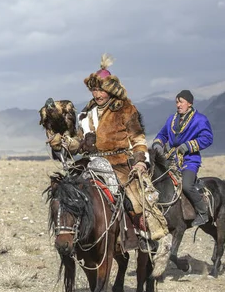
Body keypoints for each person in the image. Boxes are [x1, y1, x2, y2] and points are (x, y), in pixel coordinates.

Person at [49, 54, 170, 251]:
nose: (97, 94)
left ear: (110, 90)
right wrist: (65, 142)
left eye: (101, 90)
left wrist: (140, 161)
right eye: (94, 90)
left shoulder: (125, 110)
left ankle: (145, 237)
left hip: (120, 162)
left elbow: (138, 139)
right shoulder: (86, 114)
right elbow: (79, 142)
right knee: (68, 191)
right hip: (91, 162)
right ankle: (76, 233)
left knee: (135, 199)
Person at [152, 89, 214, 226]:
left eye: (181, 102)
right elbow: (162, 135)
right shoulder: (171, 119)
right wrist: (158, 145)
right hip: (170, 158)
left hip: (190, 160)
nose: (178, 105)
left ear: (189, 103)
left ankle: (202, 212)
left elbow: (208, 138)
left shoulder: (200, 119)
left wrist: (188, 146)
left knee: (186, 185)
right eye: (177, 102)